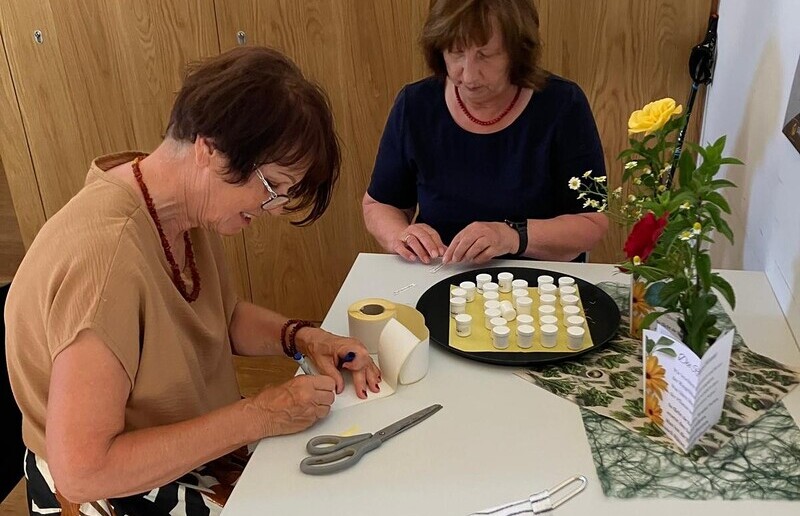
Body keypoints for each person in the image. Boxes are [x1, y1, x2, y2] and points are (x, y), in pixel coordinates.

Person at [5, 46, 381, 515]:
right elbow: (83, 470)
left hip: (184, 447)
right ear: (208, 149)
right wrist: (258, 415)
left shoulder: (177, 208)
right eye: (272, 188)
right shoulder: (106, 263)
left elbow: (219, 316)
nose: (272, 210)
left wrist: (305, 338)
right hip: (113, 485)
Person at [363, 0, 609, 265]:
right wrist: (401, 235)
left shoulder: (563, 104)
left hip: (538, 277)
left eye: (486, 55)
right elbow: (380, 205)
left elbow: (591, 221)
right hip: (442, 269)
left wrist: (510, 236)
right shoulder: (415, 104)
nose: (469, 76)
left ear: (517, 52)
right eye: (456, 53)